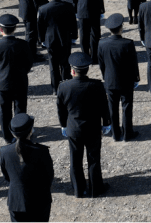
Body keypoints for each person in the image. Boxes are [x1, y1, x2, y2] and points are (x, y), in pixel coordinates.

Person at [57, 51, 111, 198]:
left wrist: (63, 125)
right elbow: (104, 106)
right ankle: (96, 188)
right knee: (94, 159)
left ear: (72, 70)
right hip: (93, 128)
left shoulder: (63, 87)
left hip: (73, 128)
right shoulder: (97, 85)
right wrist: (106, 123)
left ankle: (78, 190)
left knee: (75, 160)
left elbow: (61, 110)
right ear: (87, 69)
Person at [0, 113, 54, 222]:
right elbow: (49, 177)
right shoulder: (42, 151)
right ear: (31, 131)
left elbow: (7, 176)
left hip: (16, 200)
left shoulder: (4, 151)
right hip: (39, 200)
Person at [0, 14, 33, 145]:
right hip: (20, 81)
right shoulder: (23, 44)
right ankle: (21, 133)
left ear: (0, 29)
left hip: (3, 82)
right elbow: (29, 63)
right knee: (20, 108)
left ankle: (7, 136)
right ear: (14, 29)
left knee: (5, 110)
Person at [97, 14, 141, 142]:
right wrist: (136, 78)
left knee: (112, 107)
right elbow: (134, 64)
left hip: (110, 80)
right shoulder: (128, 43)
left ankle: (115, 134)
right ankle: (128, 133)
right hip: (126, 81)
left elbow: (101, 63)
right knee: (127, 107)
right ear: (121, 27)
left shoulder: (102, 43)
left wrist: (105, 76)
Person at [37, 0, 77, 95]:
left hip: (51, 40)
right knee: (65, 64)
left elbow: (40, 27)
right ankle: (67, 85)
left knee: (53, 66)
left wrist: (42, 40)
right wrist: (74, 37)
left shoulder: (43, 9)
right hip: (65, 39)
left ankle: (55, 88)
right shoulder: (69, 6)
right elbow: (73, 23)